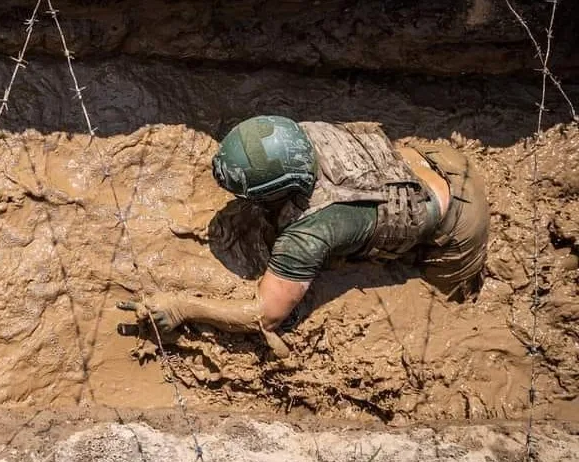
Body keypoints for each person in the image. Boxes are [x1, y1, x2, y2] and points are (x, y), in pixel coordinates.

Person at [118, 116, 489, 357]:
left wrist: (184, 308)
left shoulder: (310, 232)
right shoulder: (302, 133)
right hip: (436, 159)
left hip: (459, 218)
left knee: (450, 304)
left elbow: (264, 316)